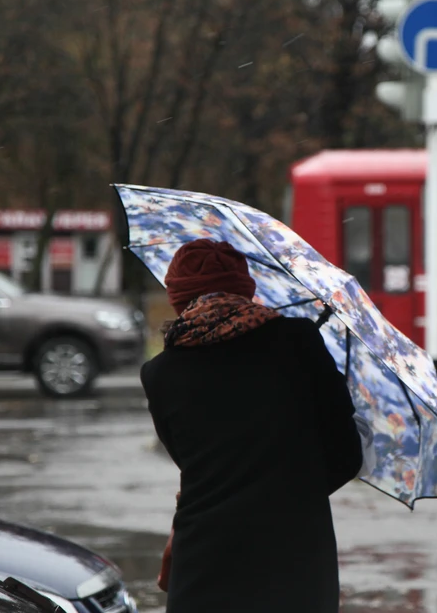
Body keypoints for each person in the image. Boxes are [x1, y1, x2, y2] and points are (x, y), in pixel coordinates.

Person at [140, 239, 363, 613]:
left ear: (176, 298)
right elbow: (346, 455)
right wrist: (292, 494)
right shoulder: (299, 340)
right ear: (246, 288)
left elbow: (190, 465)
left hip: (204, 566)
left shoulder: (160, 374)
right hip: (296, 561)